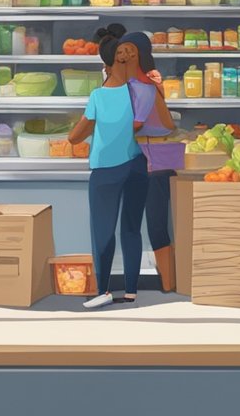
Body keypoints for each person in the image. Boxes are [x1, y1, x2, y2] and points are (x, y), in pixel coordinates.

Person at [68, 25, 149, 309]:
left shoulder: (98, 97)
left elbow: (75, 136)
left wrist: (78, 131)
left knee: (103, 231)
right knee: (131, 229)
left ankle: (103, 291)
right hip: (138, 165)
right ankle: (131, 291)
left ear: (106, 65)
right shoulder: (140, 92)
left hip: (105, 171)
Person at [121, 30, 177, 294]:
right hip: (164, 158)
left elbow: (134, 124)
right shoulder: (152, 80)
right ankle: (170, 281)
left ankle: (168, 282)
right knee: (161, 222)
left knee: (152, 224)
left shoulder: (138, 86)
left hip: (148, 160)